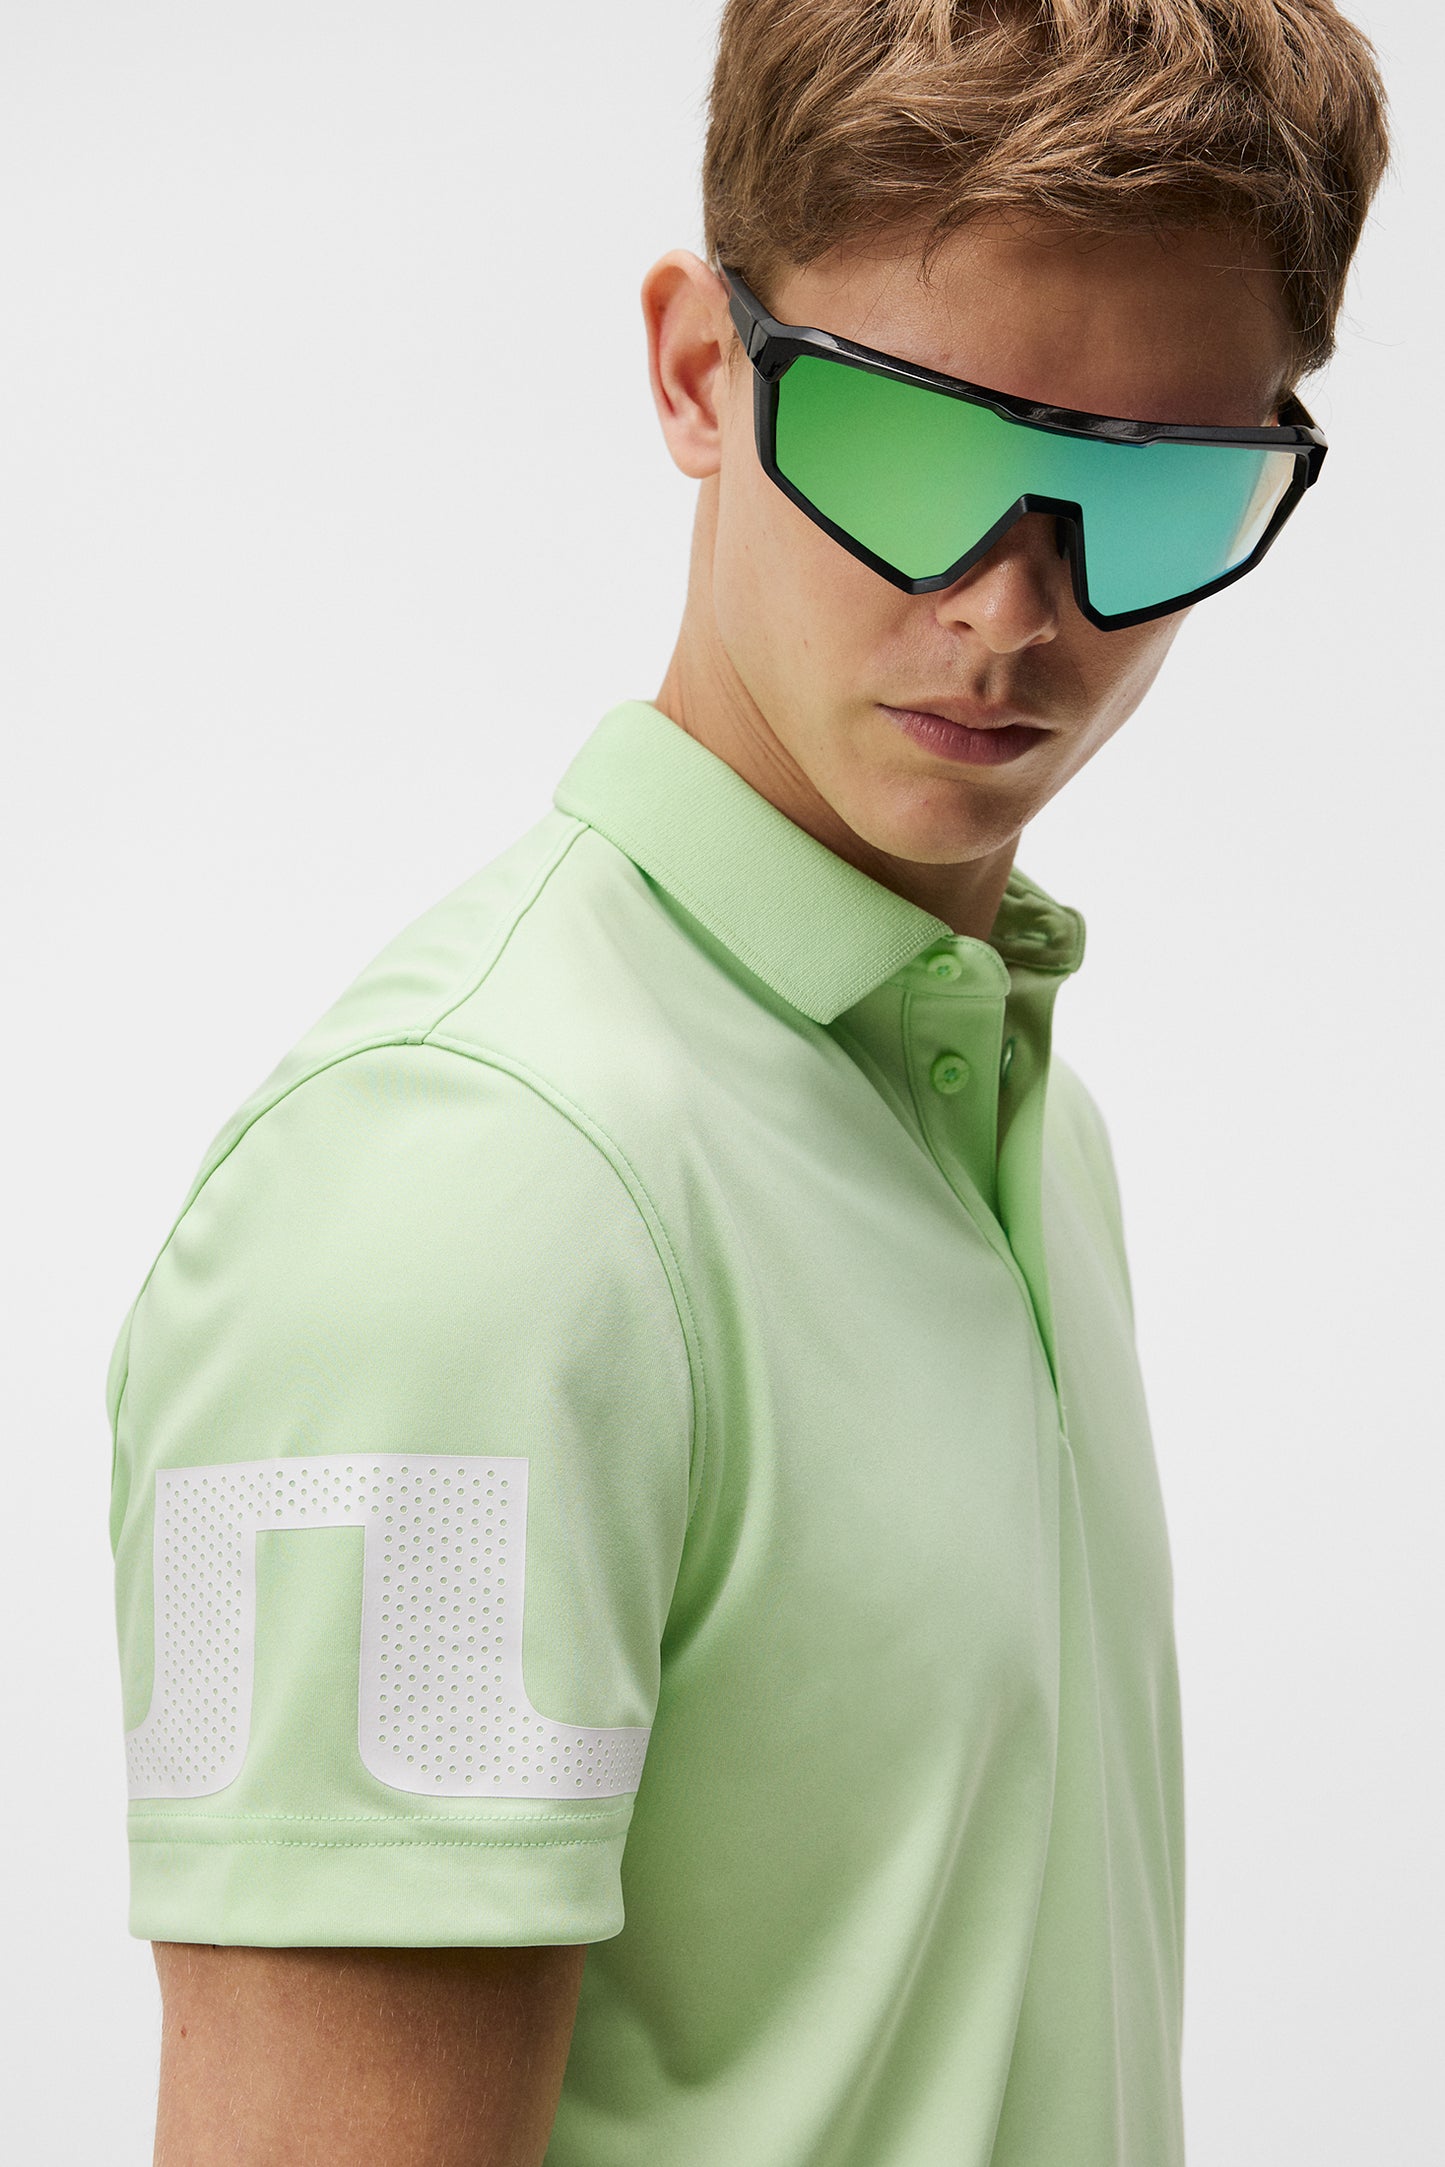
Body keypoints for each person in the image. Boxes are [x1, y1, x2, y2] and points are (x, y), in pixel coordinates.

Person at [106, 3, 1391, 2162]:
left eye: (1149, 484)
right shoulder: (467, 1189)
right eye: (912, 451)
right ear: (704, 370)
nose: (1015, 609)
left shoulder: (1014, 1118)